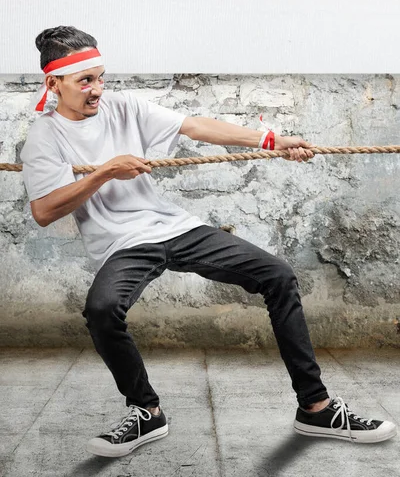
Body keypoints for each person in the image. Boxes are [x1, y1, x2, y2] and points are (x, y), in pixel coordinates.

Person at [20, 26, 396, 458]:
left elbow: (195, 126)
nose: (98, 90)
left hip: (173, 228)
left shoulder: (122, 106)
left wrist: (271, 141)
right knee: (102, 310)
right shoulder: (45, 137)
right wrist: (105, 171)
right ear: (53, 84)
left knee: (278, 275)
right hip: (123, 246)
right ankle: (147, 412)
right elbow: (44, 211)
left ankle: (316, 407)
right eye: (85, 81)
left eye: (101, 77)